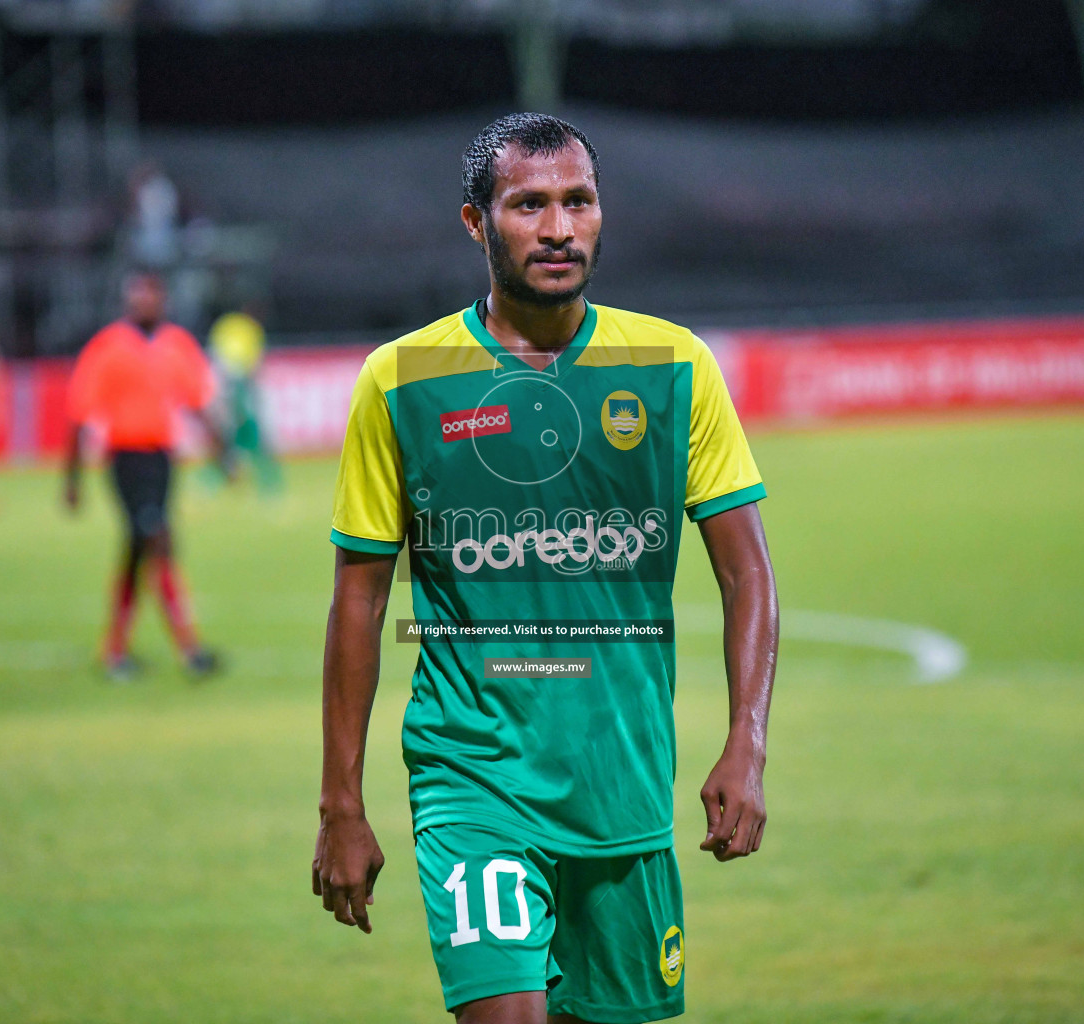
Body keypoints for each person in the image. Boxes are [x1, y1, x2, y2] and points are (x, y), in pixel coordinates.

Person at [314, 113, 779, 1023]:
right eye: (529, 205)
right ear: (476, 223)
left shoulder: (674, 365)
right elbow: (360, 599)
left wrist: (747, 741)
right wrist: (341, 801)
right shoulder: (400, 381)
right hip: (472, 772)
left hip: (625, 785)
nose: (559, 228)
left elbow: (747, 574)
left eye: (579, 201)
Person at [63, 269, 225, 681]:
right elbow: (79, 415)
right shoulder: (108, 347)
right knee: (159, 539)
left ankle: (115, 651)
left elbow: (198, 401)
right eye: (135, 297)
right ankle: (189, 650)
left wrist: (222, 451)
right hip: (126, 461)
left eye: (148, 296)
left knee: (138, 552)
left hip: (162, 460)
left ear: (162, 300)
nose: (142, 303)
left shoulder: (176, 345)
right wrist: (72, 479)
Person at [207, 302, 281, 492]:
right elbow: (253, 362)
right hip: (237, 390)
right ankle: (262, 478)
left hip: (235, 389)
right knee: (248, 434)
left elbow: (217, 354)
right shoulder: (250, 330)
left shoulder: (227, 326)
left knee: (234, 434)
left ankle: (229, 475)